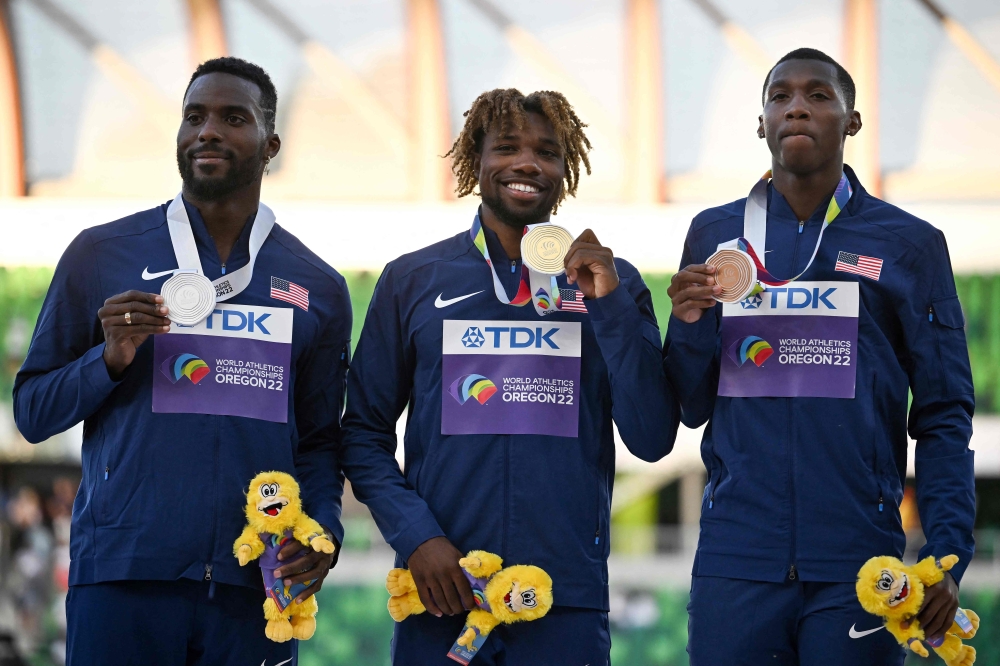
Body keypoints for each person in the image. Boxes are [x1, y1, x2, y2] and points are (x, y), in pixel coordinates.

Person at [13, 57, 352, 666]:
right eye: (193, 117)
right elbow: (34, 412)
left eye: (232, 118)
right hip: (122, 575)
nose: (207, 131)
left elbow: (321, 441)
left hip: (255, 585)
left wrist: (322, 529)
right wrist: (108, 359)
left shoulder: (317, 286)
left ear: (270, 144)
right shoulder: (102, 254)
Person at [338, 88, 680, 665]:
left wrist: (611, 305)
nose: (527, 163)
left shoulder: (609, 282)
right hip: (441, 593)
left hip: (561, 599)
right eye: (507, 147)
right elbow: (362, 434)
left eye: (547, 152)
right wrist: (417, 537)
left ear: (565, 170)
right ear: (477, 158)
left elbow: (651, 438)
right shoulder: (412, 280)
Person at [666, 48, 975, 664]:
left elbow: (943, 412)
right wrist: (691, 326)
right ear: (761, 123)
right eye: (779, 97)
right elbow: (692, 404)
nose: (797, 107)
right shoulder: (714, 235)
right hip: (738, 556)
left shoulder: (910, 244)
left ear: (852, 121)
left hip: (860, 561)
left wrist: (946, 551)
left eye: (819, 95)